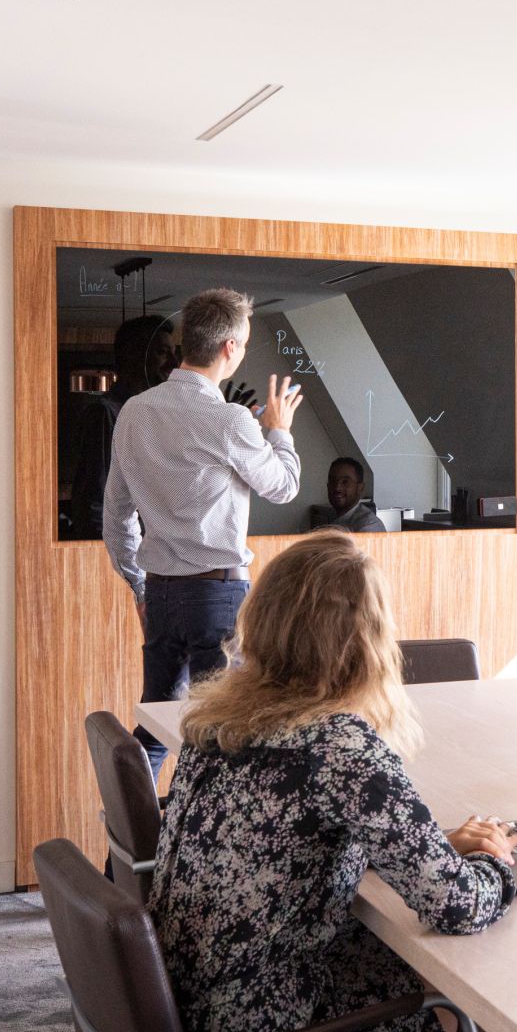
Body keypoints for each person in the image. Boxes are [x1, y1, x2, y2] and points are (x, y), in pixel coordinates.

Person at [151, 533, 517, 1032]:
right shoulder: (340, 747)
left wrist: (430, 847)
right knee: (464, 1000)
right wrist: (493, 860)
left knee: (421, 977)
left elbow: (286, 838)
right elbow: (456, 905)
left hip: (196, 1027)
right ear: (369, 641)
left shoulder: (214, 721)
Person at [104, 288, 304, 779]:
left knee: (156, 728)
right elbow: (284, 487)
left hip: (161, 594)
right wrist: (278, 431)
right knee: (224, 733)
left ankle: (130, 830)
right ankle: (202, 827)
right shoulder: (229, 419)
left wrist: (139, 587)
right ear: (229, 348)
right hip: (217, 596)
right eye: (245, 344)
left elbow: (117, 516)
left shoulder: (134, 412)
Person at [64, 312, 178, 540]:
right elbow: (93, 505)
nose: (174, 364)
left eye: (173, 354)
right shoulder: (105, 414)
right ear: (133, 356)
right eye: (162, 352)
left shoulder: (156, 416)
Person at [325, 456, 386, 532]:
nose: (337, 488)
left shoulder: (367, 527)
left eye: (345, 482)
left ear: (360, 487)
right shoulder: (336, 520)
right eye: (333, 481)